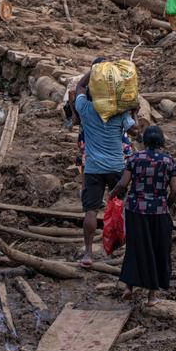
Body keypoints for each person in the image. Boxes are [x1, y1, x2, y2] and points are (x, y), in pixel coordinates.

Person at [72, 64, 139, 268]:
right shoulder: (119, 112)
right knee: (124, 207)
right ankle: (128, 251)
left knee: (91, 212)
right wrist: (134, 112)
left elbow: (79, 89)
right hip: (117, 167)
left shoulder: (85, 109)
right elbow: (134, 130)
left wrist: (92, 72)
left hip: (93, 168)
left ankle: (88, 254)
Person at [113, 125, 176, 306]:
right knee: (158, 250)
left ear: (145, 141)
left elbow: (123, 183)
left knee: (135, 248)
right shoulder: (169, 161)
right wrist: (167, 204)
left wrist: (114, 195)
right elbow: (175, 190)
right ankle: (152, 296)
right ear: (161, 141)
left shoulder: (135, 158)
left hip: (135, 210)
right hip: (159, 211)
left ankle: (128, 287)